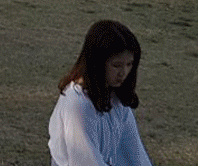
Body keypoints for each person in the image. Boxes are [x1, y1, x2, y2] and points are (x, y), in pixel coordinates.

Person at [48, 20, 152, 166]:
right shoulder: (77, 103)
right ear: (97, 62)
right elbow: (85, 161)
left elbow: (135, 155)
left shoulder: (116, 100)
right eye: (116, 65)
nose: (123, 73)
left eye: (129, 65)